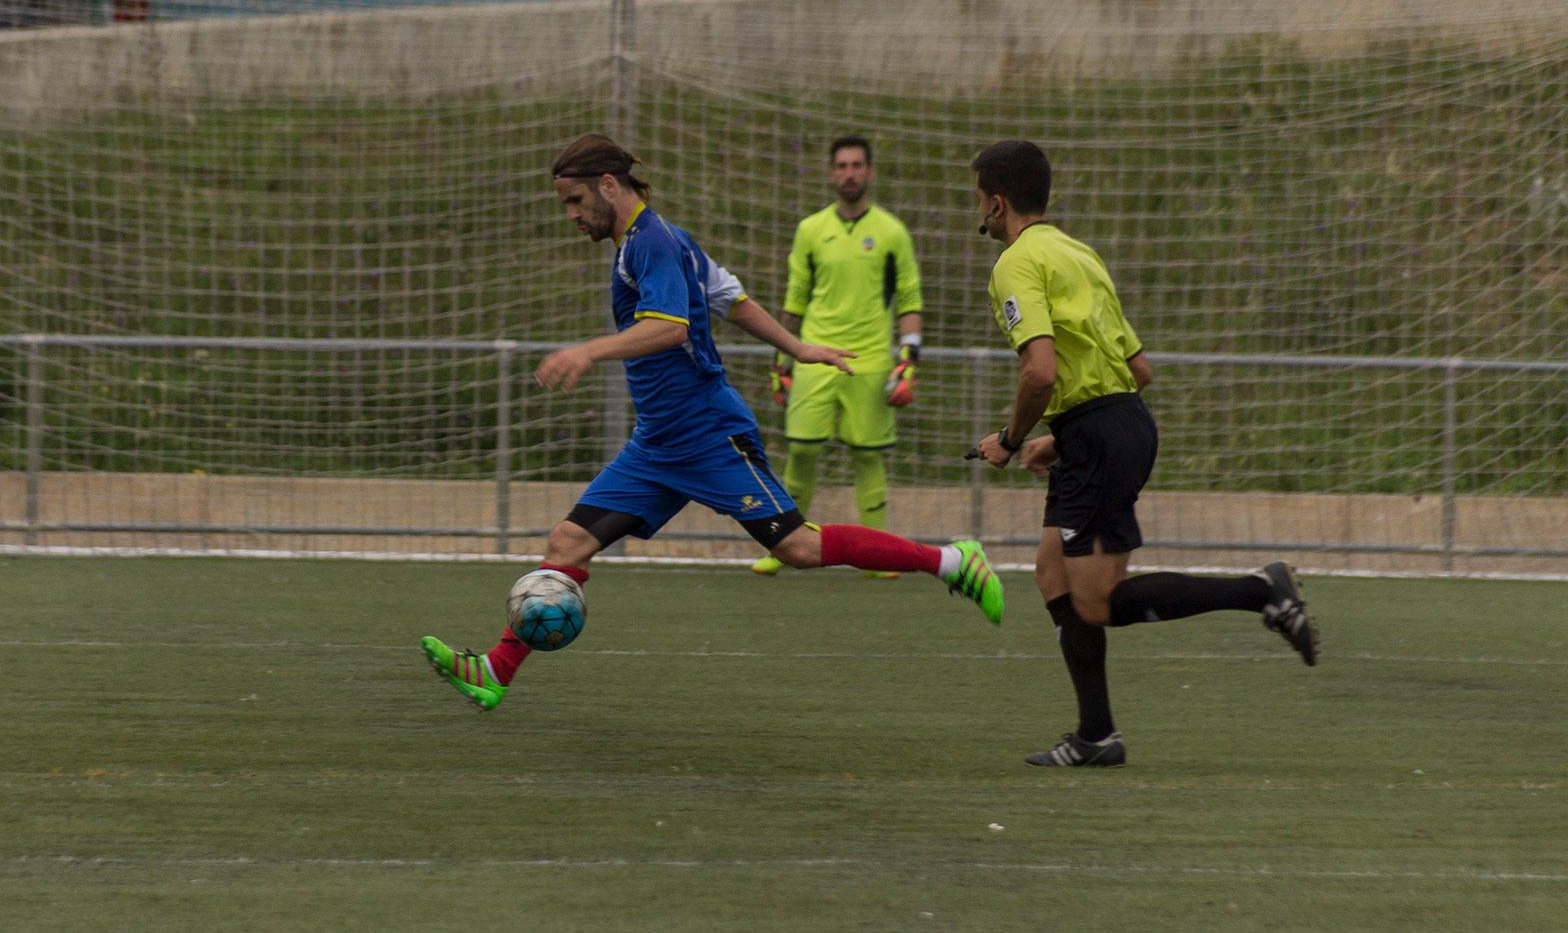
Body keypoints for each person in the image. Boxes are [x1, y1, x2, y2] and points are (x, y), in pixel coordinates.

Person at [420, 133, 1003, 712]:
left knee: (798, 546)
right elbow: (730, 296)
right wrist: (796, 347)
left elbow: (671, 327)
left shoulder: (651, 242)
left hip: (707, 434)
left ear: (607, 185)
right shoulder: (661, 240)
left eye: (575, 201)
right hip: (658, 444)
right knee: (568, 542)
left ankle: (954, 561)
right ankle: (495, 670)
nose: (571, 215)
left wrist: (587, 351)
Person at [968, 139, 1319, 768]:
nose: (981, 218)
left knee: (1098, 599)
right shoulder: (1079, 253)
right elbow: (1139, 367)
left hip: (1102, 436)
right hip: (1107, 426)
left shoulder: (1016, 264)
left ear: (997, 203)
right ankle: (1096, 734)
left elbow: (1040, 373)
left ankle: (1260, 590)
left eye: (980, 205)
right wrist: (1066, 434)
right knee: (1054, 573)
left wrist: (1013, 440)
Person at [751, 135, 923, 582]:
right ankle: (782, 545)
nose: (849, 173)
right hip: (813, 356)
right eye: (842, 166)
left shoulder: (891, 233)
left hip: (869, 361)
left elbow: (909, 300)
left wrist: (909, 361)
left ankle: (879, 554)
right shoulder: (811, 230)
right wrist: (781, 362)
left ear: (870, 172)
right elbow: (795, 299)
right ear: (832, 173)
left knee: (868, 457)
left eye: (857, 165)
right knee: (801, 450)